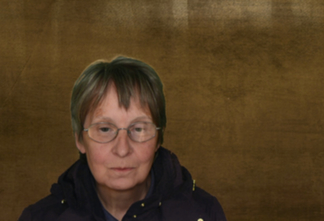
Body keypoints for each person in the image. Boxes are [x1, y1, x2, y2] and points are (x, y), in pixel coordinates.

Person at [18, 56, 227, 221]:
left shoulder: (204, 213)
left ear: (158, 138)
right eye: (105, 129)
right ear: (80, 140)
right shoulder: (38, 217)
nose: (122, 149)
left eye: (138, 129)